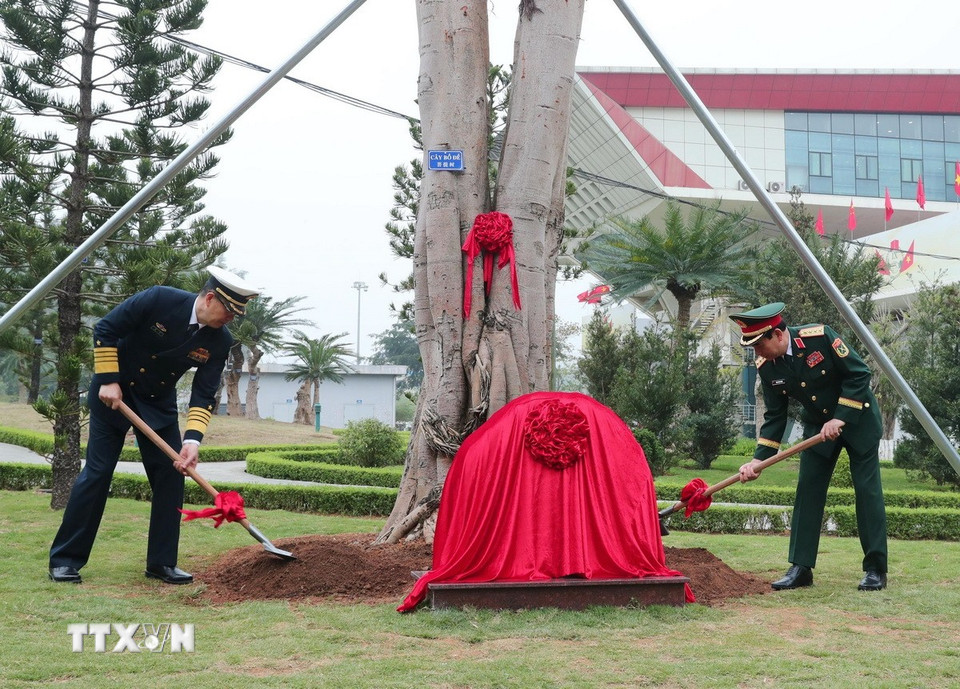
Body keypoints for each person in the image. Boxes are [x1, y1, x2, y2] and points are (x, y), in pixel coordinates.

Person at [48, 267, 259, 585]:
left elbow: (204, 394)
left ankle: (162, 563)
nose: (231, 318)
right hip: (114, 395)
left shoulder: (219, 341)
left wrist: (192, 442)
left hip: (157, 405)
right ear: (210, 298)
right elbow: (106, 328)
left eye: (236, 314)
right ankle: (65, 560)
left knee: (172, 477)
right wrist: (108, 380)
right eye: (229, 310)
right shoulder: (159, 299)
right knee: (98, 473)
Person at [731, 302, 888, 592]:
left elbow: (859, 373)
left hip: (859, 421)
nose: (757, 353)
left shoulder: (820, 337)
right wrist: (758, 461)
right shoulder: (767, 367)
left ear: (778, 335)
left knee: (867, 492)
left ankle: (876, 569)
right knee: (808, 490)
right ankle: (801, 568)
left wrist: (841, 417)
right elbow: (775, 417)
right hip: (818, 427)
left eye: (759, 345)